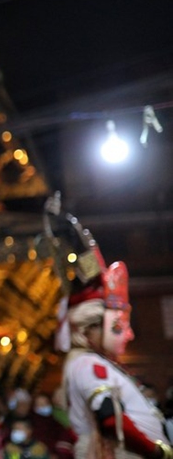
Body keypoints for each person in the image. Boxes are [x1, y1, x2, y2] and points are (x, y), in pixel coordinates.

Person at [43, 195, 173, 459]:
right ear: (89, 329)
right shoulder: (88, 365)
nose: (129, 334)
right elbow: (109, 419)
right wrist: (158, 451)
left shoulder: (89, 362)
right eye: (118, 327)